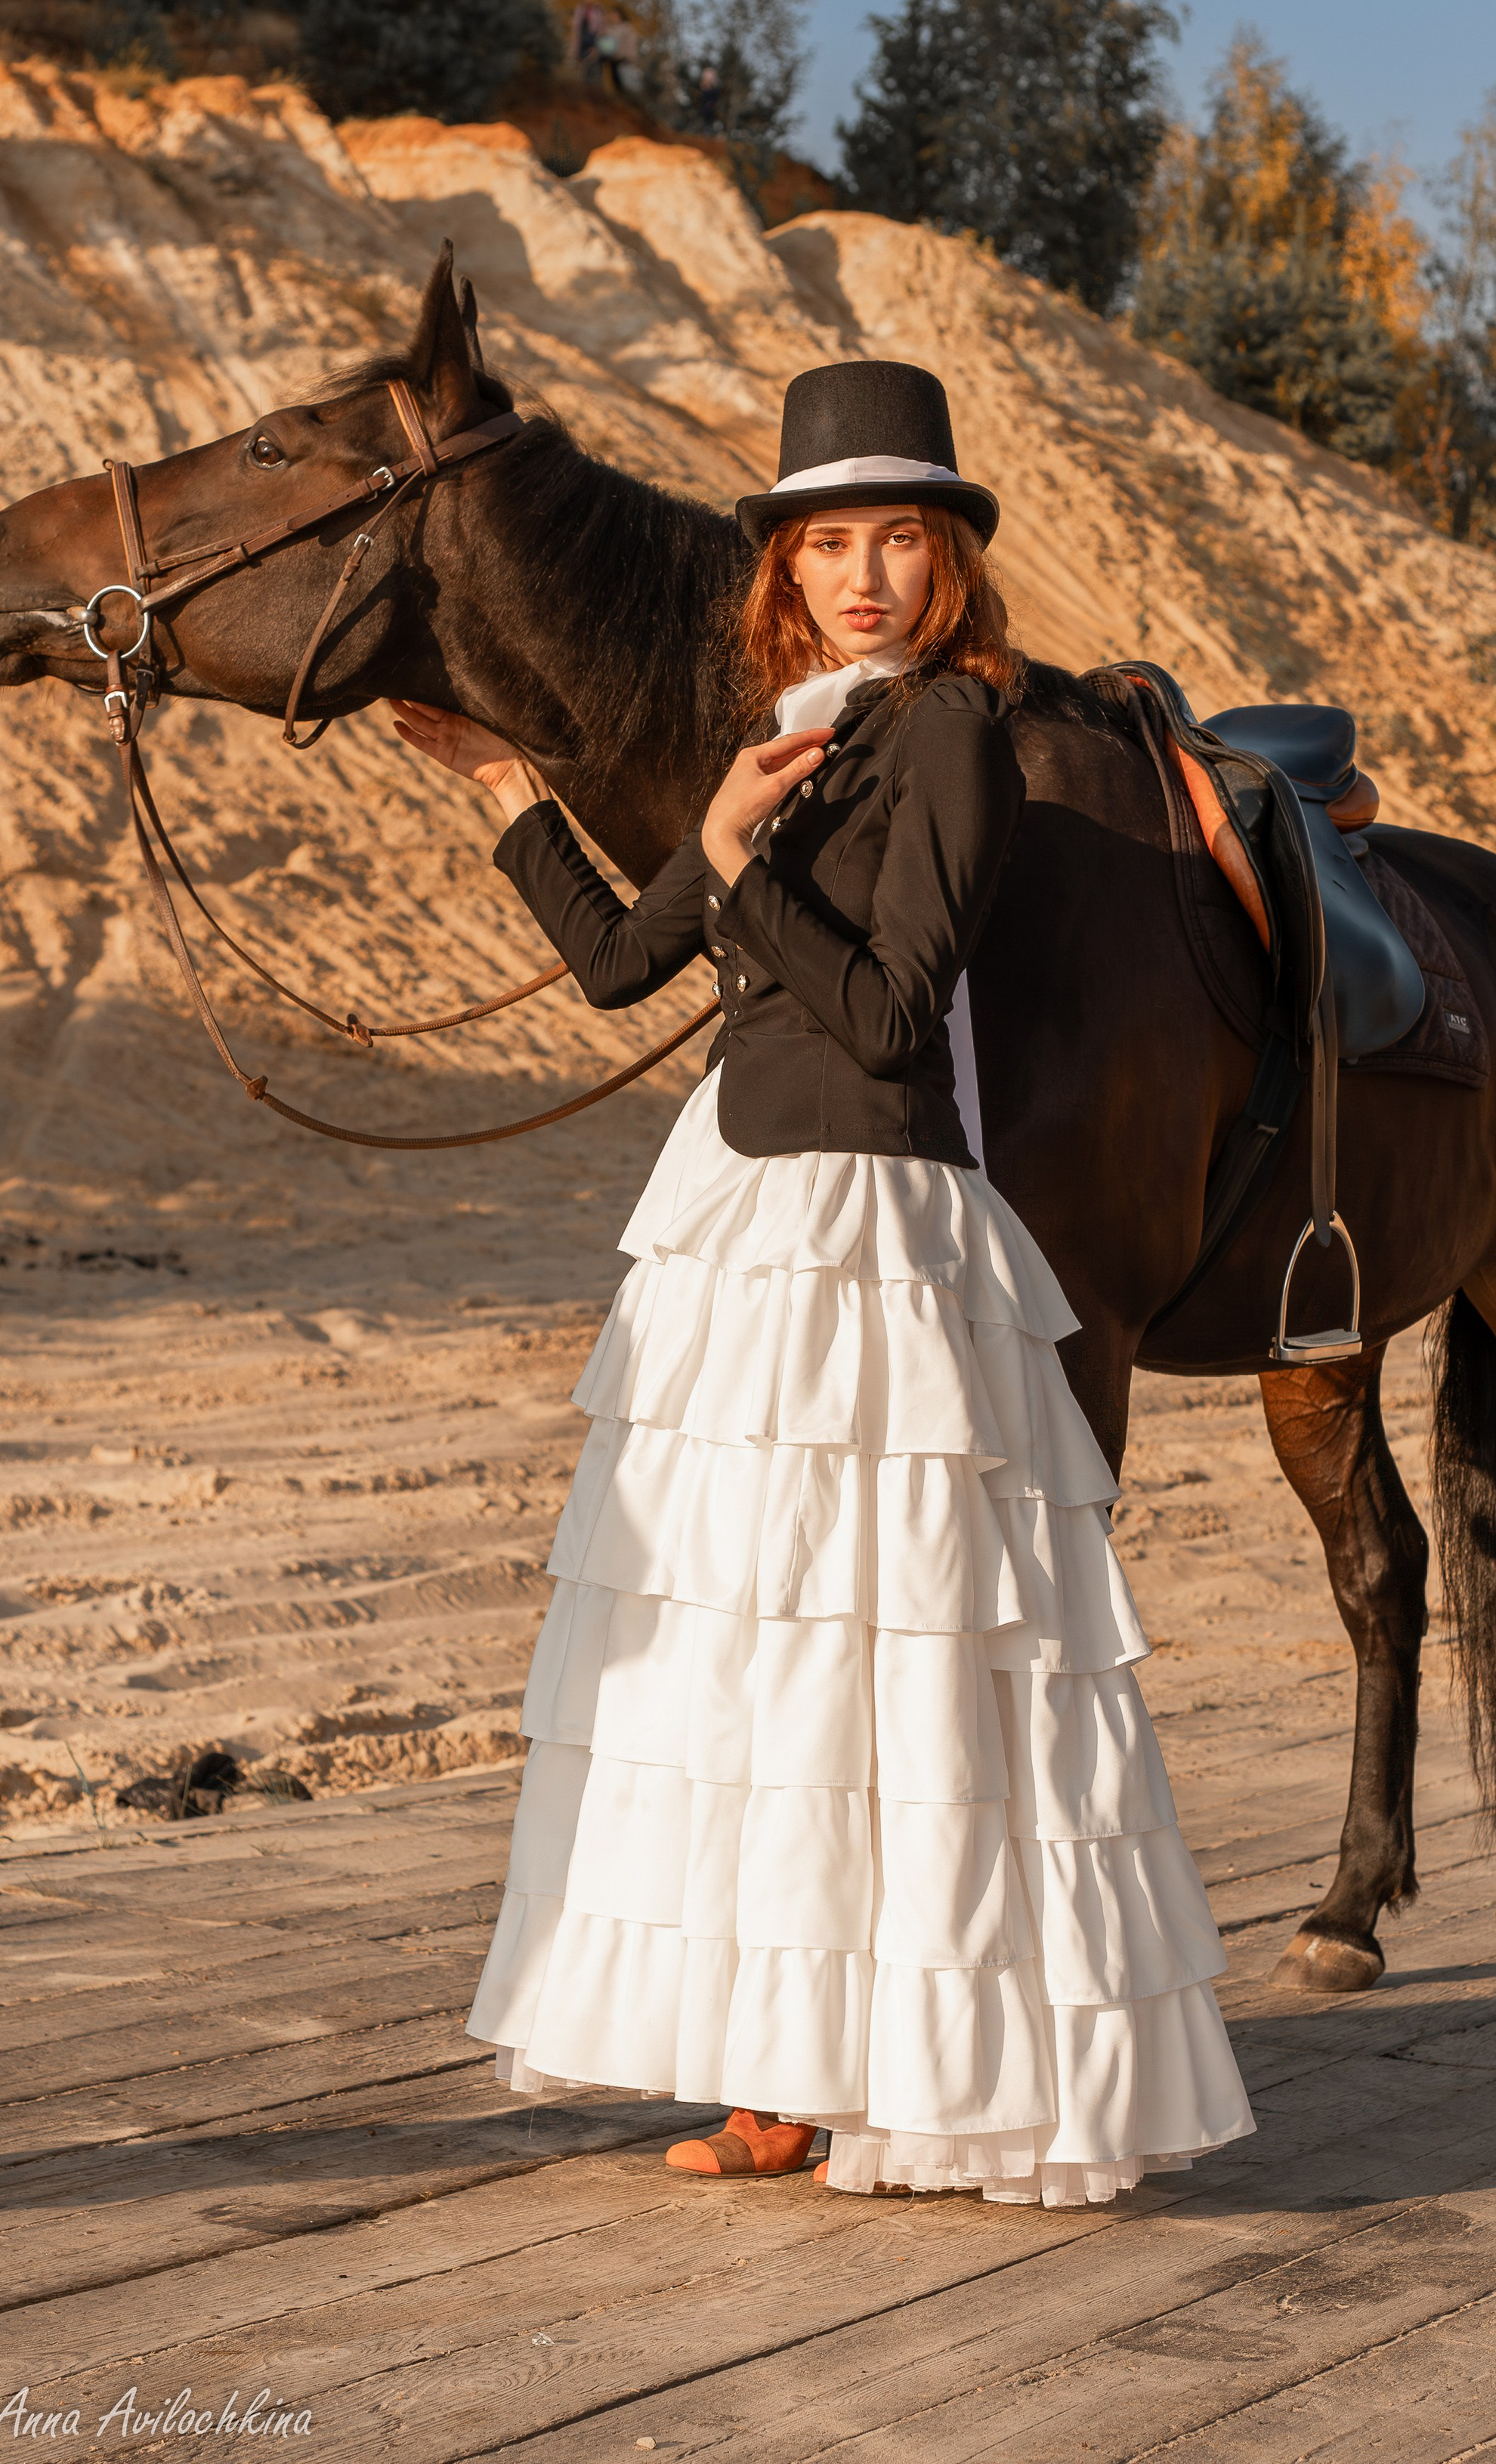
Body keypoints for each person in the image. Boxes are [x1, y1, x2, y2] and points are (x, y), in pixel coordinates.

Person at [391, 360, 1253, 2206]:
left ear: (946, 565)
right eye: (828, 540)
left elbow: (881, 1008)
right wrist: (518, 793)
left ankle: (919, 2066)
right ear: (782, 566)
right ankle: (782, 2063)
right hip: (738, 1213)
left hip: (872, 1224)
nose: (865, 573)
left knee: (893, 1659)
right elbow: (631, 969)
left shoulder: (947, 732)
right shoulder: (794, 732)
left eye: (899, 540)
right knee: (756, 1657)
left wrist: (725, 858)